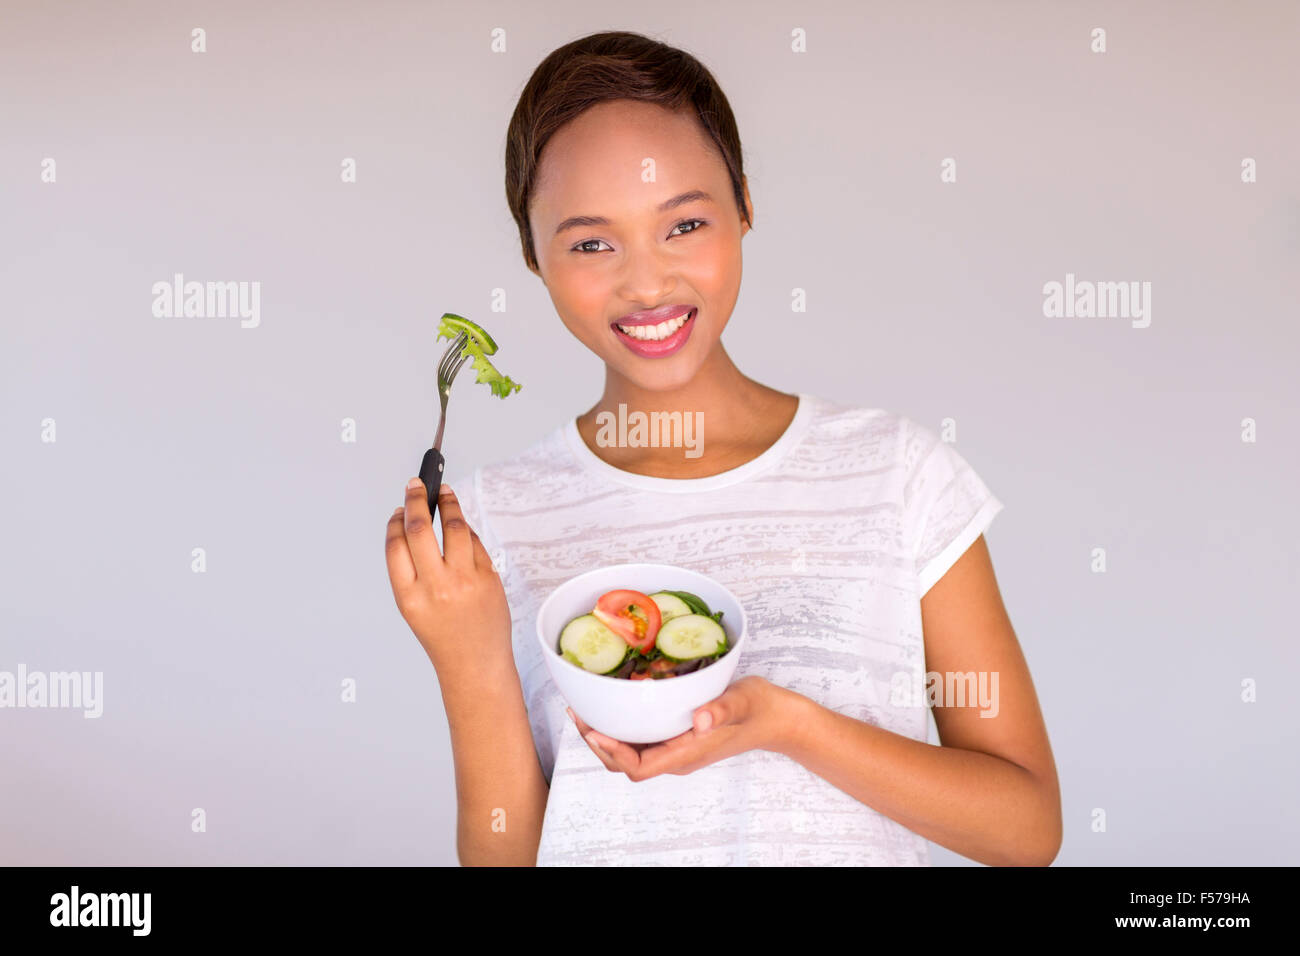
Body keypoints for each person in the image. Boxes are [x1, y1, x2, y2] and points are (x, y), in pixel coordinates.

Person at [384, 30, 1061, 867]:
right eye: (592, 242)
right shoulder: (494, 519)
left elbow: (1026, 831)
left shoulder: (898, 475)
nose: (646, 283)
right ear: (533, 254)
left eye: (685, 223)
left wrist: (789, 725)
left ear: (744, 202)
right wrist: (470, 661)